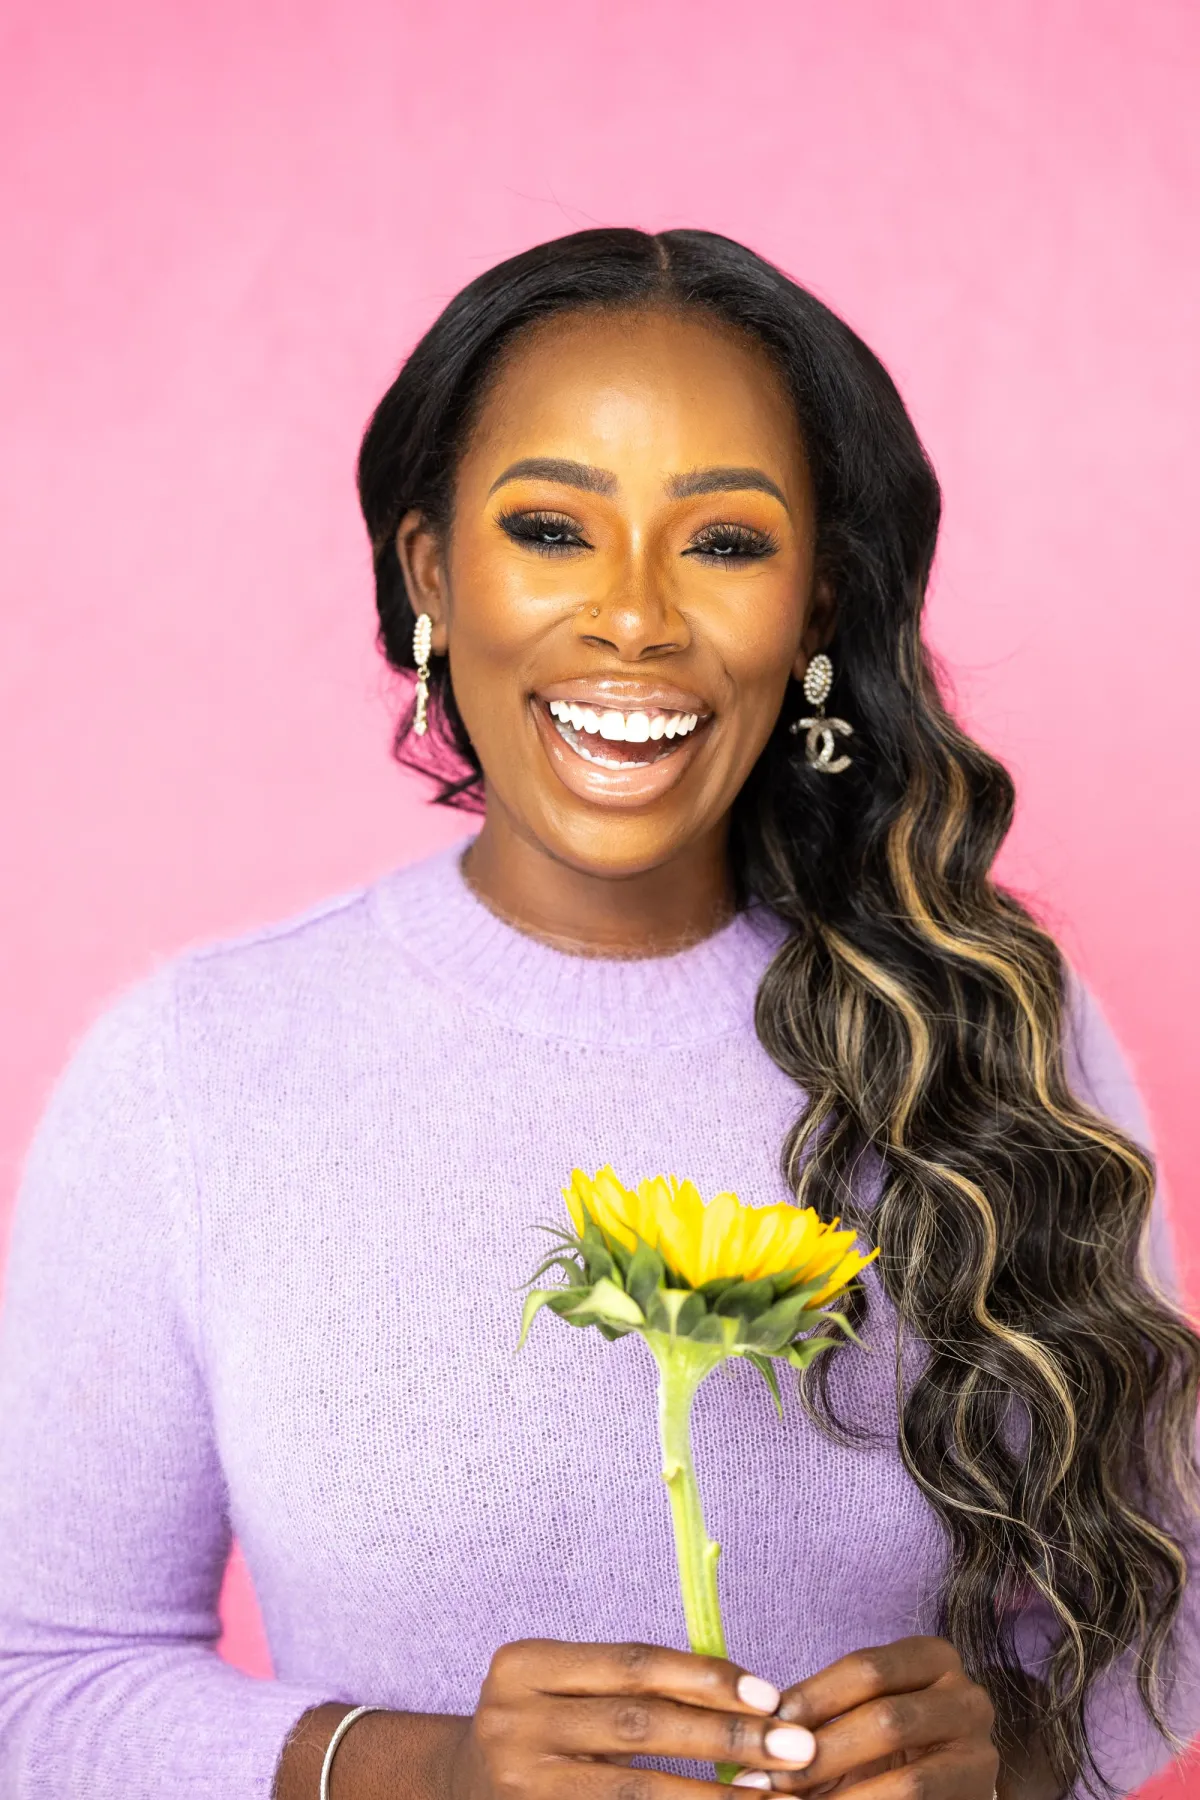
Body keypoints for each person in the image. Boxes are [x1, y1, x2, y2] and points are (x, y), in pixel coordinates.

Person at [0, 228, 1196, 1800]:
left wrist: (1017, 1755)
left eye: (723, 543)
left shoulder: (990, 1026)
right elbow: (43, 1685)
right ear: (433, 573)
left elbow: (1168, 1594)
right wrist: (421, 1773)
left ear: (817, 603)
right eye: (553, 527)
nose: (633, 619)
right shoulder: (195, 1069)